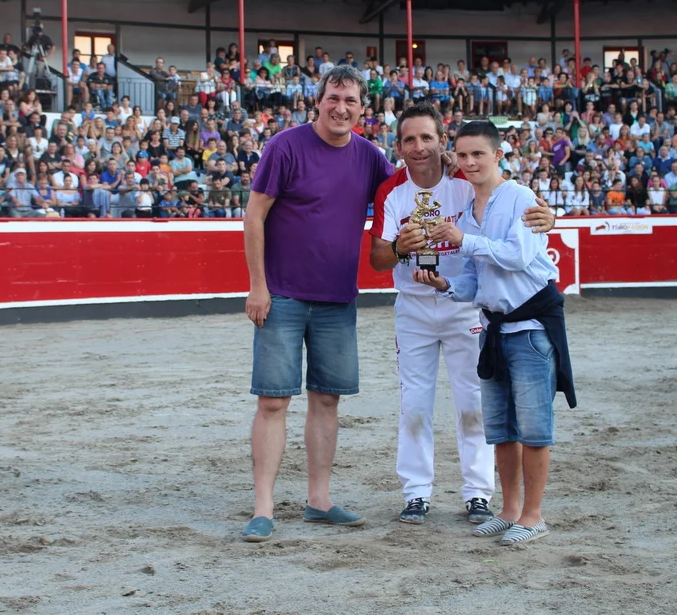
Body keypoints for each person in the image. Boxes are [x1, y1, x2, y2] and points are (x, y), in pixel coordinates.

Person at [369, 104, 554, 526]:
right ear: (398, 147)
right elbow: (378, 258)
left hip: (465, 304)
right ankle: (416, 492)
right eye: (410, 139)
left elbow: (508, 198)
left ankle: (478, 493)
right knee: (414, 402)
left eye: (427, 138)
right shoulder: (391, 190)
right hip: (414, 306)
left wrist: (550, 216)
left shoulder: (464, 179)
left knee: (473, 400)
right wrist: (399, 247)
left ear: (441, 141)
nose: (419, 147)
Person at [241, 65, 394, 543]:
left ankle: (319, 500)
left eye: (350, 101)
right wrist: (258, 285)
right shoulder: (285, 146)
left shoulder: (370, 157)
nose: (341, 108)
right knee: (273, 401)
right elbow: (254, 215)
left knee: (327, 400)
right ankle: (263, 507)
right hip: (282, 294)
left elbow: (409, 194)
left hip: (336, 298)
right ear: (319, 100)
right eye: (334, 98)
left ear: (362, 109)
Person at [414, 120, 576, 547]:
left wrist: (463, 240)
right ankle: (509, 510)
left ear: (498, 155)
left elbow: (518, 256)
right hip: (494, 330)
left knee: (534, 429)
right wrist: (445, 285)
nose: (469, 162)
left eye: (478, 154)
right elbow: (475, 281)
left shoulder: (520, 198)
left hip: (530, 330)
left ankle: (533, 515)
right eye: (463, 155)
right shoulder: (470, 210)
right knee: (502, 429)